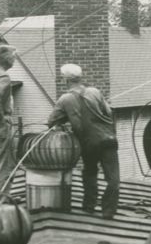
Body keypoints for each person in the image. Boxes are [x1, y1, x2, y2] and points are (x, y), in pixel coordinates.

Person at [48, 63, 120, 218]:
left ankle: (89, 206)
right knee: (113, 178)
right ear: (80, 78)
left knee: (90, 171)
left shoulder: (65, 99)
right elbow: (108, 112)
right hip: (109, 139)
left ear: (65, 80)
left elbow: (51, 122)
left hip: (88, 143)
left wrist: (66, 122)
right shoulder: (94, 92)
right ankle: (108, 211)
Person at [0, 45, 18, 195]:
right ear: (7, 58)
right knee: (1, 166)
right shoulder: (3, 77)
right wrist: (0, 120)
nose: (14, 60)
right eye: (14, 57)